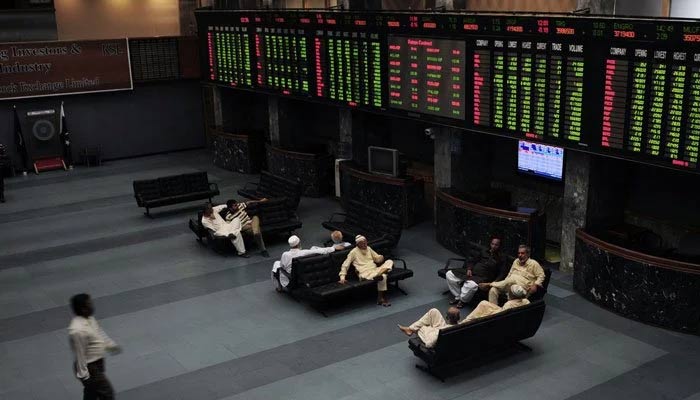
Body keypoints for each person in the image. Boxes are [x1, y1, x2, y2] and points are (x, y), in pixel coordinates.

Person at [68, 293, 121, 400]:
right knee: (107, 393)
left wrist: (111, 345)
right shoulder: (77, 330)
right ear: (83, 309)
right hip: (89, 366)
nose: (93, 305)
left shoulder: (89, 318)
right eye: (90, 304)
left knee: (91, 390)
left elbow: (99, 333)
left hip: (97, 362)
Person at [445, 237, 503, 308]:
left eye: (496, 245)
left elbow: (501, 273)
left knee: (471, 285)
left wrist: (492, 283)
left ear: (499, 246)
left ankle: (462, 300)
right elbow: (473, 260)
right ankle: (458, 296)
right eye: (492, 244)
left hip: (483, 277)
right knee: (449, 274)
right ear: (490, 244)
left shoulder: (501, 258)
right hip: (471, 272)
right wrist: (469, 269)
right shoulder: (484, 251)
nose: (493, 246)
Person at [479, 244, 545, 304]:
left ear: (528, 254)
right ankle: (494, 311)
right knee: (493, 290)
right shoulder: (516, 261)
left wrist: (536, 284)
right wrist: (505, 283)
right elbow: (509, 274)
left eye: (522, 253)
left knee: (513, 278)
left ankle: (490, 284)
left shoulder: (533, 263)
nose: (520, 255)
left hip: (522, 287)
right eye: (518, 253)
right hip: (510, 284)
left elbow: (541, 275)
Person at [339, 235, 394, 306]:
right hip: (364, 273)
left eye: (365, 242)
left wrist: (380, 258)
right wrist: (342, 277)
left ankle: (379, 274)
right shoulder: (353, 252)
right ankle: (380, 298)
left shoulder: (368, 248)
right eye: (362, 243)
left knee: (389, 261)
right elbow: (345, 265)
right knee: (383, 276)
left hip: (374, 269)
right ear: (358, 244)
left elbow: (377, 259)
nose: (365, 244)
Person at [271, 235, 336, 291]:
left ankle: (279, 287)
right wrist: (333, 248)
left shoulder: (285, 254)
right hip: (303, 276)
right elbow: (322, 250)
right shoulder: (304, 253)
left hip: (290, 278)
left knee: (276, 264)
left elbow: (282, 266)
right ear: (299, 243)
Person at [463, 284, 530, 322]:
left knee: (482, 307)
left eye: (510, 292)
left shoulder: (509, 304)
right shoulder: (526, 301)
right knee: (484, 303)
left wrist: (485, 315)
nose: (508, 293)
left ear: (513, 295)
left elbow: (499, 318)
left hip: (499, 319)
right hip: (512, 318)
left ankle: (465, 322)